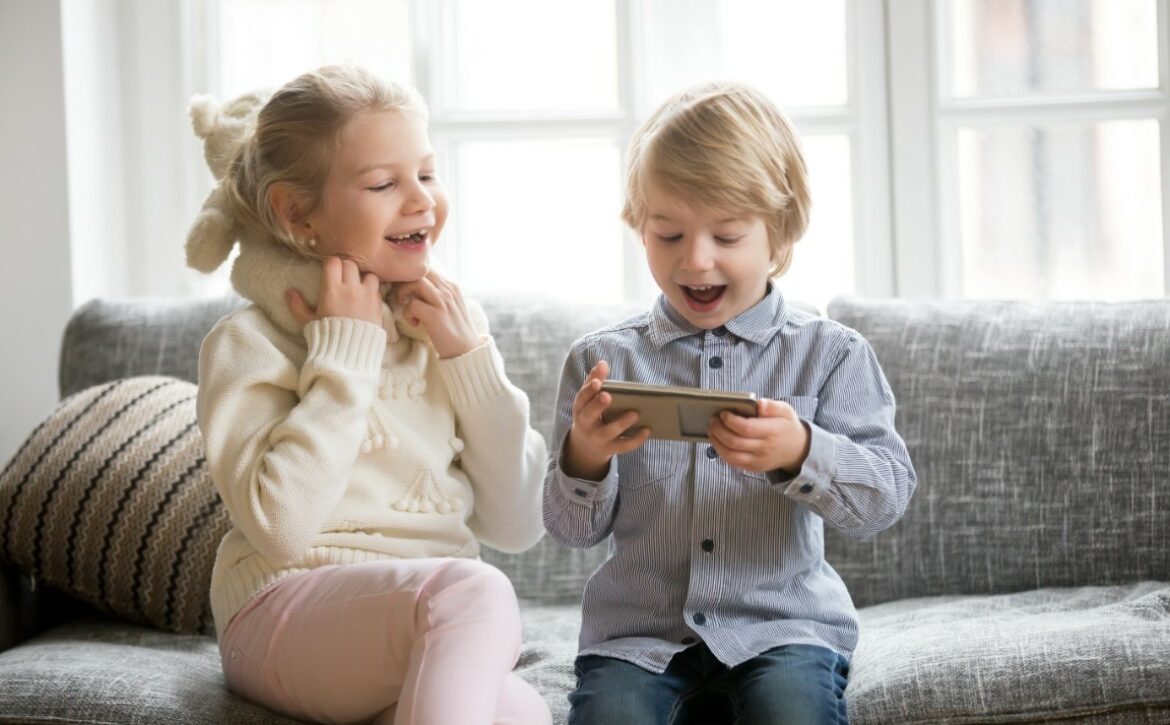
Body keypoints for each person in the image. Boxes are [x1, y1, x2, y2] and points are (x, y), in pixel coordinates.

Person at [543, 81, 917, 725]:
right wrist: (586, 456)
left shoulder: (831, 355)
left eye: (726, 235)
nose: (696, 259)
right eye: (668, 235)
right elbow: (570, 529)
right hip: (639, 639)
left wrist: (803, 451)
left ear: (779, 236)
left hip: (784, 629)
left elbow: (885, 495)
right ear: (640, 229)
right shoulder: (603, 362)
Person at [187, 65, 552, 725]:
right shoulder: (248, 344)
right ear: (298, 214)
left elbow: (519, 524)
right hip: (278, 612)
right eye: (385, 183)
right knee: (475, 590)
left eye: (428, 173)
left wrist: (469, 361)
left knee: (520, 711)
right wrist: (347, 354)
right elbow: (281, 526)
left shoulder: (443, 331)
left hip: (420, 625)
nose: (421, 202)